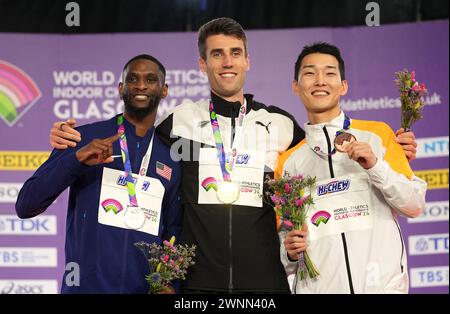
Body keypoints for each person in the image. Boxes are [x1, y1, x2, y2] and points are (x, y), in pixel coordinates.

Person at [47, 18, 418, 293]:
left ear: (248, 61)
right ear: (202, 64)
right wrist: (68, 139)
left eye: (235, 53)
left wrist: (396, 151)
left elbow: (323, 163)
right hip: (196, 284)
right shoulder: (179, 121)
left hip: (265, 283)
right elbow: (139, 152)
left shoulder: (281, 124)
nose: (227, 62)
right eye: (217, 54)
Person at [16, 55, 183, 294]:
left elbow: (173, 232)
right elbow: (26, 205)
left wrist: (169, 284)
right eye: (132, 79)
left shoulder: (170, 158)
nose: (141, 85)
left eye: (150, 79)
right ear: (120, 88)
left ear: (164, 90)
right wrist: (77, 160)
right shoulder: (82, 138)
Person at [275, 42, 427, 293]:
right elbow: (286, 254)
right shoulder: (287, 163)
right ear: (296, 86)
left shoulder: (379, 135)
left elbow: (414, 204)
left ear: (344, 86)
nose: (320, 81)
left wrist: (376, 167)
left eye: (330, 73)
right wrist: (289, 253)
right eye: (310, 73)